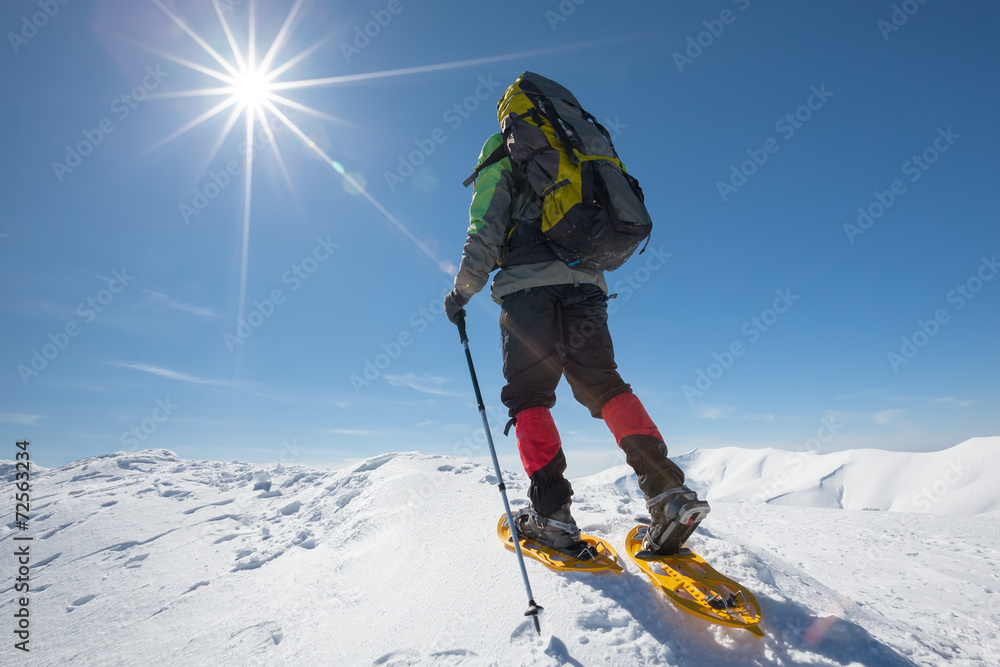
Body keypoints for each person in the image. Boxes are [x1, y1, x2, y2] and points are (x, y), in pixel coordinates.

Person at [444, 86, 709, 559]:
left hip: (528, 291)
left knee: (529, 396)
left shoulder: (504, 152)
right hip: (587, 287)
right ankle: (668, 493)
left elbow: (484, 227)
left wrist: (462, 291)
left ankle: (551, 514)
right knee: (605, 386)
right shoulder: (580, 147)